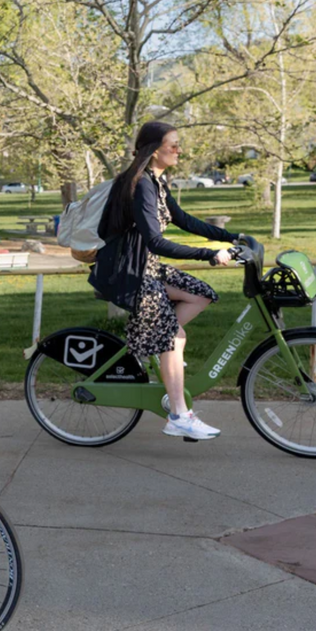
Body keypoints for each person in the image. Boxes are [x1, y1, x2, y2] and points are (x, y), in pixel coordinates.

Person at [92, 121, 238, 441]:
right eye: (173, 145)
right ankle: (178, 415)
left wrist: (233, 236)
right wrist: (209, 255)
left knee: (201, 295)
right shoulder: (141, 185)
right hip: (127, 273)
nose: (178, 150)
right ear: (154, 149)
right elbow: (156, 242)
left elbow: (184, 220)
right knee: (172, 336)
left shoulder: (158, 182)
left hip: (148, 267)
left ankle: (154, 340)